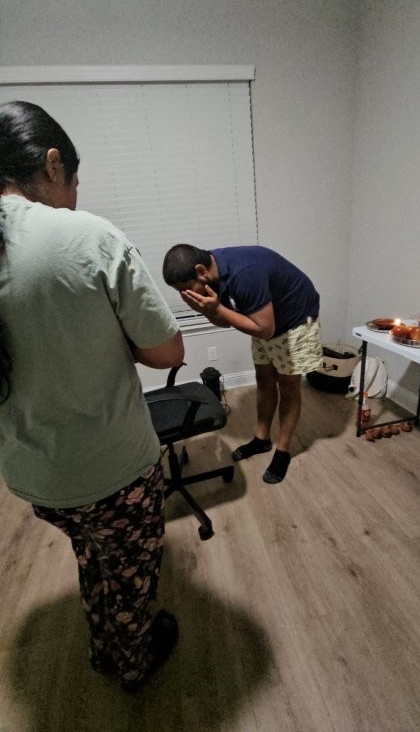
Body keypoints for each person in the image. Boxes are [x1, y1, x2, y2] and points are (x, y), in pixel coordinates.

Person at [0, 100, 185, 691]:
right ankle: (129, 663)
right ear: (53, 163)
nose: (74, 197)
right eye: (73, 182)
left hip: (34, 476)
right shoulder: (86, 236)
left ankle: (101, 638)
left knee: (93, 553)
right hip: (112, 472)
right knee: (132, 576)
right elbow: (168, 352)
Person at [163, 244, 322, 484]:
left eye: (185, 288)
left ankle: (283, 450)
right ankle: (261, 439)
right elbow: (225, 321)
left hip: (295, 319)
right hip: (264, 321)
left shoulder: (246, 273)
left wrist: (216, 308)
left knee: (288, 385)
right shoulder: (212, 275)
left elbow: (264, 330)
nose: (184, 295)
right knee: (264, 379)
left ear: (200, 271)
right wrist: (205, 309)